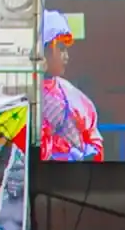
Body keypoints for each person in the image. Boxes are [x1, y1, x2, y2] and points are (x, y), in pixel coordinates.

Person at [38, 10, 104, 162]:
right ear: (42, 50)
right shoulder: (26, 93)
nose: (66, 56)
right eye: (60, 49)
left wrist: (90, 151)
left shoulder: (69, 92)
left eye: (66, 49)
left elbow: (93, 135)